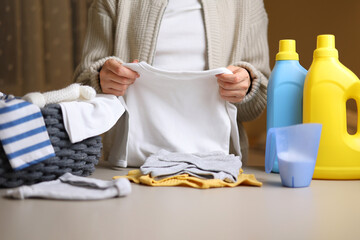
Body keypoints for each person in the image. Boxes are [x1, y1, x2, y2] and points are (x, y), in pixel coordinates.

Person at [74, 0, 270, 164]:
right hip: (131, 169)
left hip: (218, 169)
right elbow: (82, 91)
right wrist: (101, 80)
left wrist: (246, 86)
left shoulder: (247, 4)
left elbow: (256, 105)